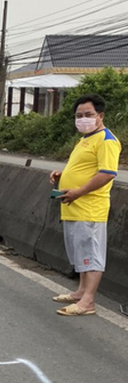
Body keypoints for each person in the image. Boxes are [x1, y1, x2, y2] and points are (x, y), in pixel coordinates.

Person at [49, 93, 121, 316]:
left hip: (90, 208)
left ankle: (88, 302)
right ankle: (80, 292)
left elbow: (107, 173)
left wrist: (79, 191)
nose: (83, 119)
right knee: (81, 252)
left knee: (91, 255)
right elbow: (84, 167)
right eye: (79, 115)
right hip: (73, 206)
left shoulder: (107, 140)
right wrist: (63, 174)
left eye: (88, 114)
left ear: (100, 115)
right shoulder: (85, 139)